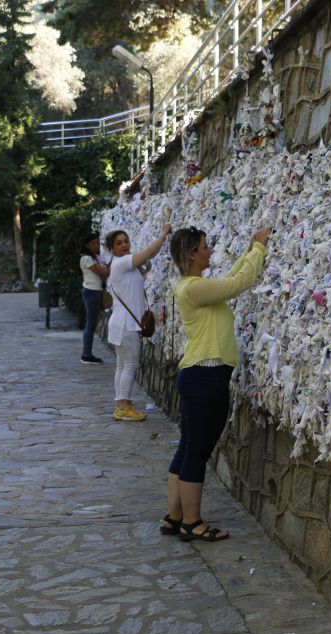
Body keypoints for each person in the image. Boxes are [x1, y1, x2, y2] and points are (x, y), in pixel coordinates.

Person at [164, 225, 270, 542]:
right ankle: (193, 523)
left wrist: (250, 251)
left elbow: (229, 283)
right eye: (206, 246)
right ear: (193, 253)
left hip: (199, 376)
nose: (210, 250)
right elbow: (239, 283)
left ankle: (175, 516)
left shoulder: (193, 286)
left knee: (187, 448)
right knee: (197, 452)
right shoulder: (193, 288)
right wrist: (259, 249)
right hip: (205, 377)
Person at [105, 225, 171, 421]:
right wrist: (163, 234)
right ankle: (123, 408)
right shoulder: (121, 263)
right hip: (126, 324)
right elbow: (149, 252)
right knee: (131, 365)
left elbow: (147, 259)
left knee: (121, 366)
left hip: (120, 323)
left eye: (126, 241)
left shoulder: (125, 265)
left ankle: (121, 404)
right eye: (119, 243)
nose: (124, 245)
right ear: (112, 248)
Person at [80, 233, 109, 364]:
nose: (96, 246)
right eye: (93, 243)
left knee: (91, 323)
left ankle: (87, 354)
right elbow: (103, 273)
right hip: (92, 291)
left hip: (94, 291)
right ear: (87, 245)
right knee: (91, 323)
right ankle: (86, 355)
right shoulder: (87, 259)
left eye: (97, 243)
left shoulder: (95, 257)